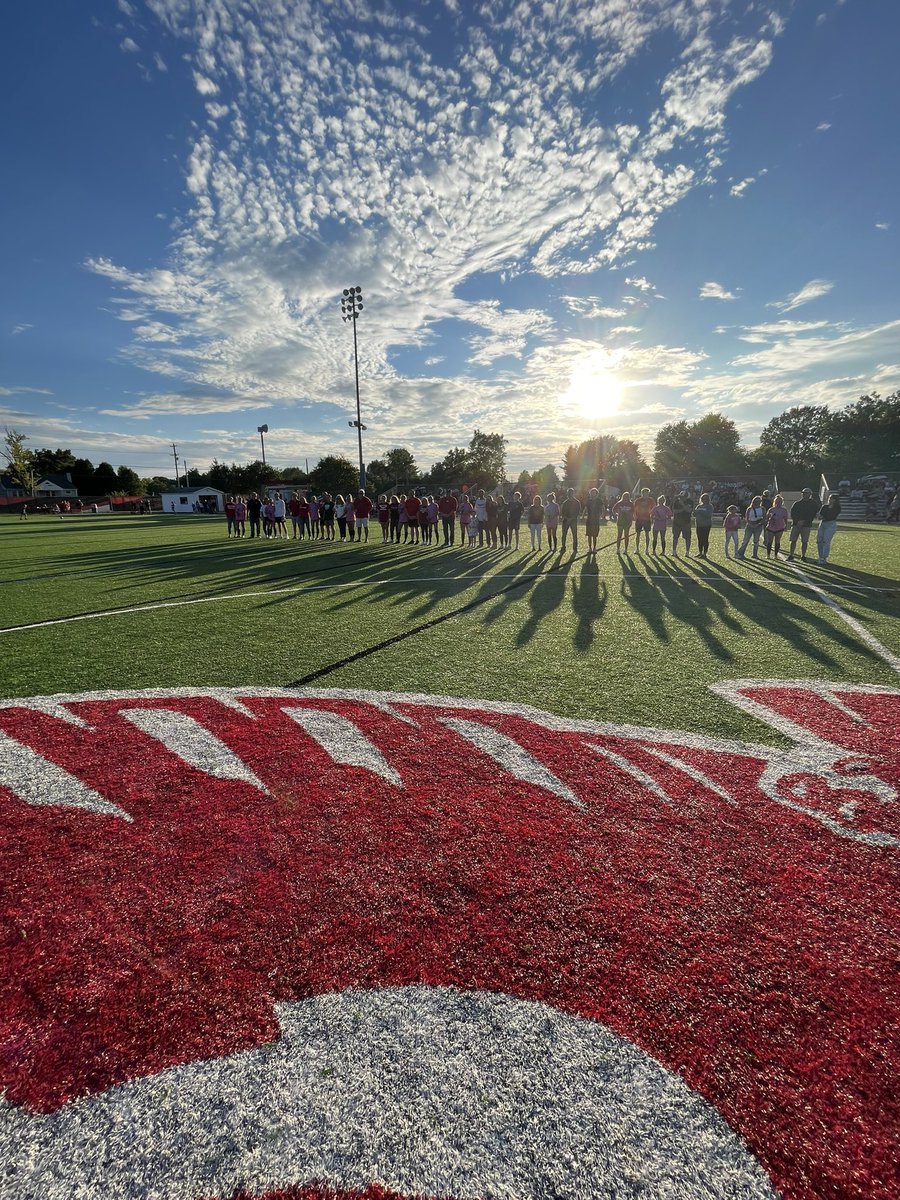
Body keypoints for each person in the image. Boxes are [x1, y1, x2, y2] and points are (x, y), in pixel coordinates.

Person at [787, 489, 820, 561]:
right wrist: (797, 521)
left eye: (806, 493)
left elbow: (813, 514)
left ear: (810, 494)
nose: (804, 494)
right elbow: (793, 513)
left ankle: (803, 555)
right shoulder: (797, 503)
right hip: (796, 524)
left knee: (804, 541)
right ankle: (791, 555)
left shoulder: (813, 503)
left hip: (807, 525)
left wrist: (804, 521)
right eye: (803, 493)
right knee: (793, 540)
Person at [816, 493, 842, 564]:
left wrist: (823, 517)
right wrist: (821, 516)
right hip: (823, 523)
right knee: (819, 540)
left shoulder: (837, 508)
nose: (829, 499)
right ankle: (820, 556)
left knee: (826, 541)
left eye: (831, 498)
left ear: (834, 500)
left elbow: (832, 516)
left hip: (831, 524)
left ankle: (824, 558)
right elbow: (820, 515)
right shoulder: (824, 506)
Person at [764, 495, 788, 559]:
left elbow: (785, 519)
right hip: (771, 527)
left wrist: (786, 526)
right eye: (777, 501)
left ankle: (775, 555)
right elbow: (767, 518)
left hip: (779, 527)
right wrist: (769, 519)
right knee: (770, 541)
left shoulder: (784, 510)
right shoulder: (771, 509)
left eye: (780, 501)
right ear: (775, 502)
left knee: (777, 541)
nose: (778, 503)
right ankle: (768, 555)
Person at [671, 490, 693, 557]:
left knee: (687, 538)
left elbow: (689, 510)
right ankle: (674, 551)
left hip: (686, 522)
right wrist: (683, 509)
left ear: (686, 497)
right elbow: (674, 511)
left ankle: (687, 552)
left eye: (682, 497)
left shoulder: (690, 502)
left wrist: (683, 504)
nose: (680, 498)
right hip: (676, 522)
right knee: (675, 537)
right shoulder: (676, 501)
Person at [633, 488, 654, 553]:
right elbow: (634, 509)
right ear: (642, 493)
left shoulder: (651, 500)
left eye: (647, 493)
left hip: (647, 519)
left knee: (647, 534)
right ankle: (637, 549)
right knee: (638, 534)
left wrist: (652, 517)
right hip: (639, 519)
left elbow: (653, 509)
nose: (645, 494)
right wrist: (635, 517)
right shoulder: (638, 500)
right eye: (644, 493)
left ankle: (647, 549)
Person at [561, 488, 581, 554]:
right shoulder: (565, 502)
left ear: (573, 494)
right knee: (564, 535)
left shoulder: (577, 502)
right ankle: (563, 547)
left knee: (574, 535)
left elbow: (578, 512)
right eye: (569, 493)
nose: (570, 495)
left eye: (571, 493)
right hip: (565, 521)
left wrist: (571, 518)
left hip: (573, 521)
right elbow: (562, 512)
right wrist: (567, 518)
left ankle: (575, 548)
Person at [694, 492, 714, 558]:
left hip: (706, 525)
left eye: (706, 499)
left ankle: (704, 553)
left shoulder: (710, 506)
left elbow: (708, 515)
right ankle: (700, 552)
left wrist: (700, 512)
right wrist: (695, 512)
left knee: (705, 539)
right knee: (699, 539)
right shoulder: (699, 506)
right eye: (703, 499)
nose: (705, 500)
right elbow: (694, 514)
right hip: (699, 525)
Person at [585, 487, 603, 555]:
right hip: (589, 519)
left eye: (594, 493)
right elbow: (586, 509)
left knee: (594, 535)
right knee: (589, 535)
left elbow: (602, 509)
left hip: (596, 520)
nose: (593, 494)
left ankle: (594, 548)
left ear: (596, 493)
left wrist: (601, 516)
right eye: (591, 493)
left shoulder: (599, 500)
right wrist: (583, 516)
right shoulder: (588, 501)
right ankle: (589, 548)